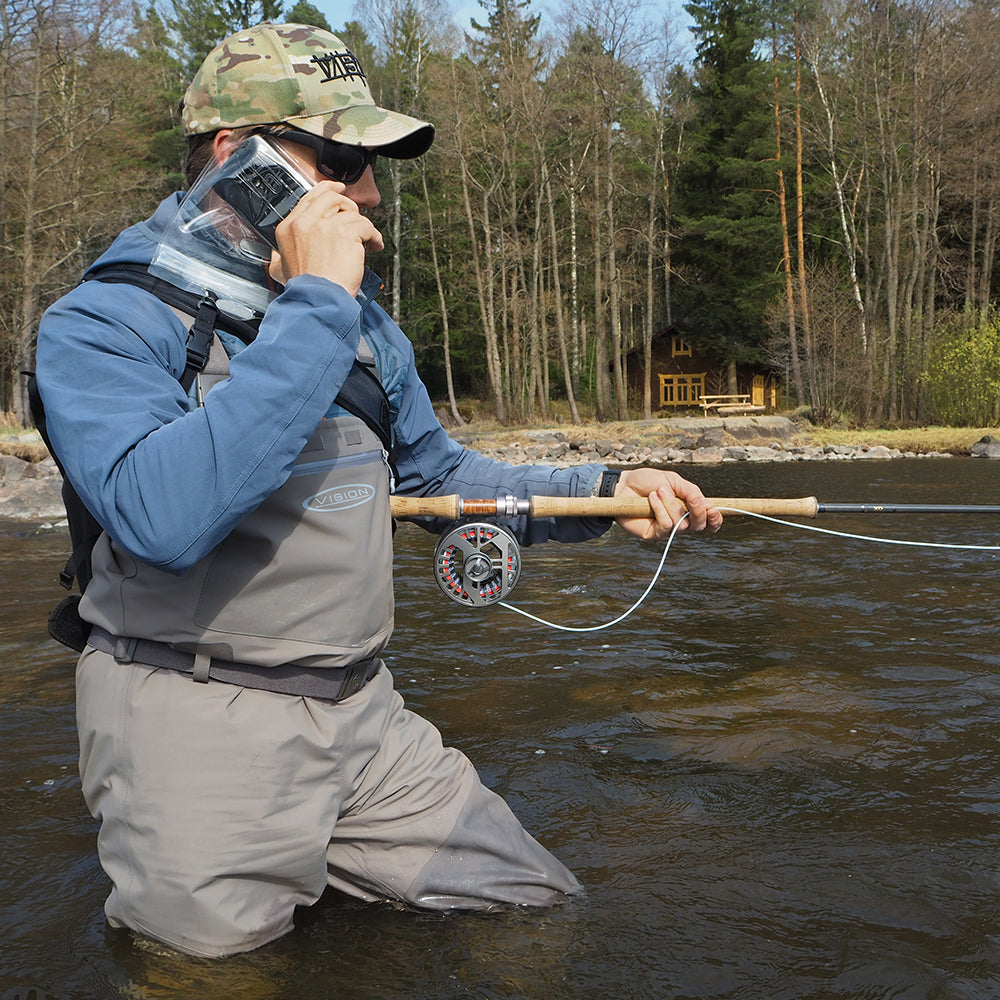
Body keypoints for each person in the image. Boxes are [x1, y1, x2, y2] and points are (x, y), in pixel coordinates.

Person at [35, 22, 723, 958]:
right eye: (344, 160)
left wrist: (605, 486)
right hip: (192, 719)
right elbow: (162, 518)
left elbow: (440, 475)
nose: (367, 192)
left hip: (364, 716)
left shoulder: (356, 320)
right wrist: (318, 302)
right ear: (237, 158)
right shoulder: (102, 321)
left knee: (536, 917)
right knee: (212, 981)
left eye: (372, 166)